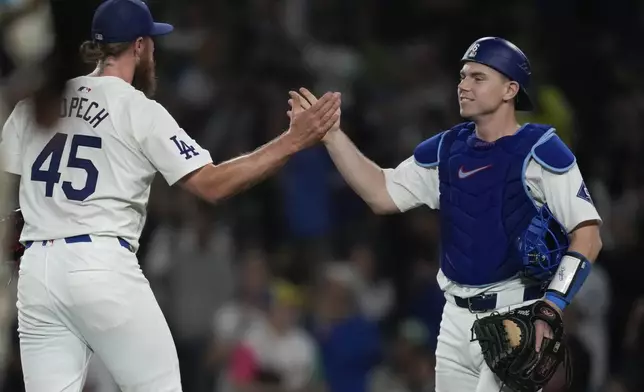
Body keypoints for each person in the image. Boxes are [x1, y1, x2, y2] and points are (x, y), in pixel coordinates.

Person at [0, 0, 340, 391]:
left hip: (37, 270)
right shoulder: (138, 110)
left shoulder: (33, 104)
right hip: (100, 265)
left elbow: (10, 200)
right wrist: (292, 141)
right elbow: (212, 185)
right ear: (140, 46)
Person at [289, 36, 603, 392]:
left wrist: (552, 305)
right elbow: (382, 193)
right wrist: (331, 136)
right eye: (462, 76)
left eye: (478, 77)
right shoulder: (447, 147)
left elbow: (588, 235)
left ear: (510, 89)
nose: (464, 86)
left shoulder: (541, 149)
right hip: (454, 316)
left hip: (514, 314)